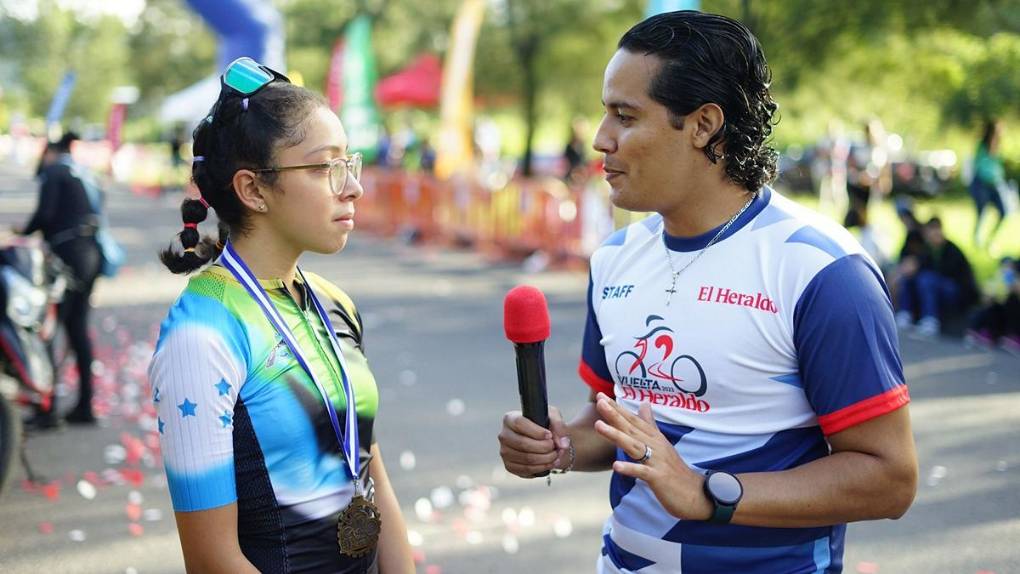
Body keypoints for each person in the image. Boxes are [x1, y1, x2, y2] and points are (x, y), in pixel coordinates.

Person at [497, 11, 917, 573]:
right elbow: (620, 424)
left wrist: (709, 493)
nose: (600, 139)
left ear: (703, 125)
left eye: (625, 116)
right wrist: (562, 446)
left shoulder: (821, 269)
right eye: (604, 114)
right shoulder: (615, 258)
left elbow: (889, 478)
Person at [147, 58, 413, 573]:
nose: (352, 187)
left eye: (348, 163)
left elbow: (370, 469)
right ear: (253, 190)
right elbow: (211, 560)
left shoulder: (334, 302)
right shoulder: (202, 334)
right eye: (322, 168)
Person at [19, 132, 103, 425]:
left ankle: (47, 409)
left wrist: (21, 235)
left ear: (48, 152)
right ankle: (85, 405)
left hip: (69, 258)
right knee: (77, 329)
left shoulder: (54, 172)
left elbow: (45, 214)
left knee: (49, 330)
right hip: (90, 254)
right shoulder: (77, 172)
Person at [895, 217, 979, 337]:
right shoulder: (926, 250)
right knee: (911, 278)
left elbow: (950, 273)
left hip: (955, 290)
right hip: (932, 287)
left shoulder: (952, 250)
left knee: (926, 279)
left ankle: (930, 318)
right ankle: (906, 312)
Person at [965, 257, 1020, 354]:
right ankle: (983, 332)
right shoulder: (1005, 274)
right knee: (993, 304)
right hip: (1003, 306)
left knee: (1011, 302)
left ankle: (1010, 336)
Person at [970, 120, 1007, 247]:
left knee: (1004, 211)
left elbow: (998, 167)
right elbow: (980, 166)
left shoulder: (998, 147)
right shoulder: (981, 146)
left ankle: (990, 240)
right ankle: (977, 240)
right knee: (981, 213)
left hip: (995, 184)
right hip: (982, 184)